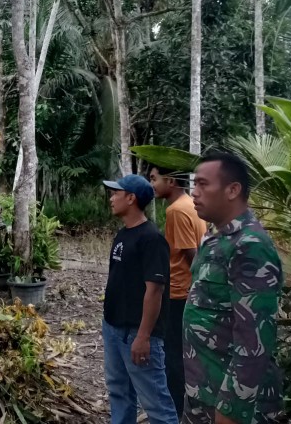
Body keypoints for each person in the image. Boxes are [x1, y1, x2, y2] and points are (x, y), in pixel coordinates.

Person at [184, 153, 283, 424]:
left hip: (234, 404)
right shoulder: (214, 238)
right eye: (194, 184)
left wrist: (231, 409)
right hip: (203, 391)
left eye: (203, 184)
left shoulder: (250, 245)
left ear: (232, 190)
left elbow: (255, 340)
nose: (194, 192)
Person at [102, 174, 178, 424]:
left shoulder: (151, 239)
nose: (112, 198)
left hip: (137, 333)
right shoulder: (124, 234)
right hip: (114, 328)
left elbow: (155, 290)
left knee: (155, 403)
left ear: (131, 198)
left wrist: (144, 336)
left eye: (116, 193)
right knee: (120, 393)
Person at [149, 166, 207, 420]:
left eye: (154, 179)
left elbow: (190, 254)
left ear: (170, 181)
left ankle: (173, 410)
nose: (151, 184)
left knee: (173, 355)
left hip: (178, 294)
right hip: (188, 291)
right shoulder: (190, 204)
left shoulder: (176, 211)